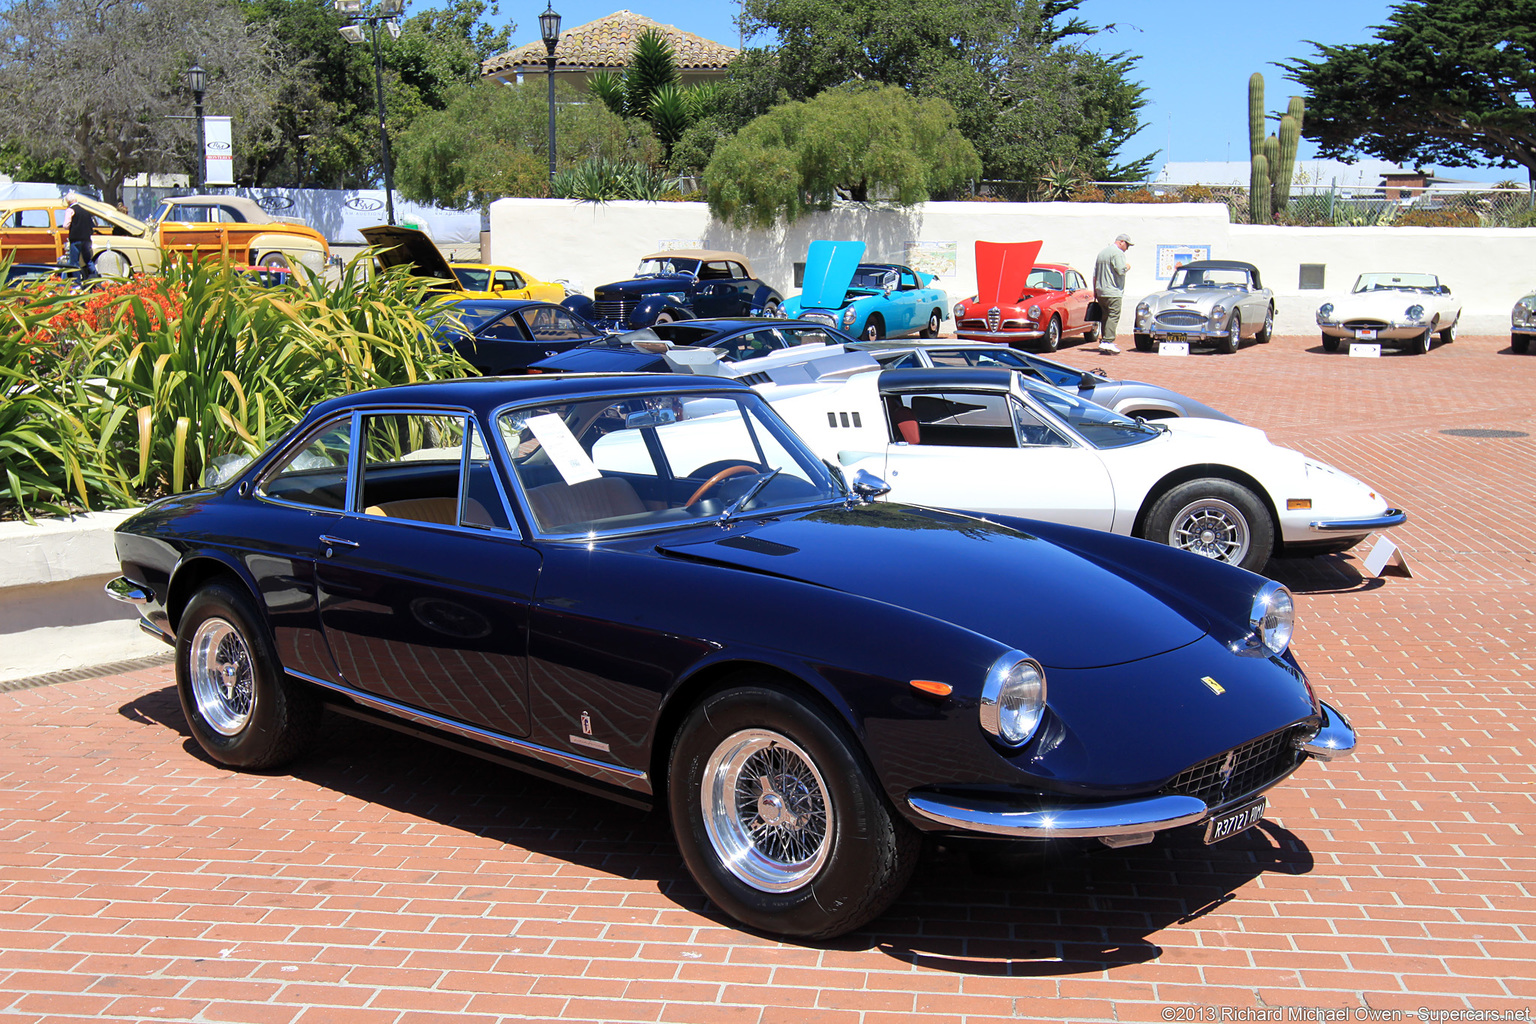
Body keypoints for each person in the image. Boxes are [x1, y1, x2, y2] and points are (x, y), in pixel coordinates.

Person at [1093, 232, 1132, 355]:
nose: (1127, 248)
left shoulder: (1102, 253)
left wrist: (1095, 290)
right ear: (1121, 242)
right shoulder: (1117, 253)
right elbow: (1120, 270)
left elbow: (1095, 274)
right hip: (1113, 291)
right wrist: (1127, 266)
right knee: (1113, 315)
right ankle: (1108, 341)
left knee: (1105, 316)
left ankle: (1104, 341)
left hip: (1101, 290)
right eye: (1127, 245)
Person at [65, 196, 96, 275]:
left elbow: (66, 225)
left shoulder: (70, 210)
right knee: (88, 260)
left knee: (74, 262)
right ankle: (96, 276)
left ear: (68, 201)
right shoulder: (85, 211)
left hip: (75, 239)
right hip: (86, 239)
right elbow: (92, 225)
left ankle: (77, 281)